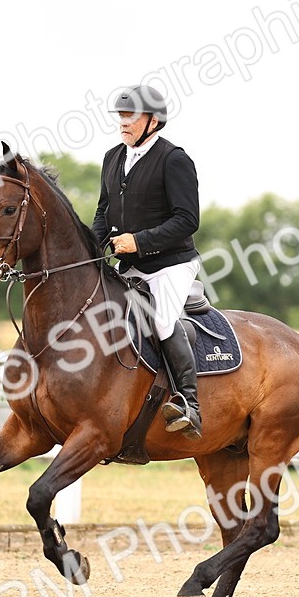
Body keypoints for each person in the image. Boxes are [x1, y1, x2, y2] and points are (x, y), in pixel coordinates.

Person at [92, 85, 203, 440]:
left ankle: (189, 404)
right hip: (128, 265)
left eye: (131, 116)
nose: (123, 123)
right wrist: (92, 249)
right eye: (121, 116)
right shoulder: (113, 157)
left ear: (153, 121)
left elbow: (188, 219)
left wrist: (139, 241)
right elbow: (103, 211)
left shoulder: (174, 159)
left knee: (162, 321)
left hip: (171, 265)